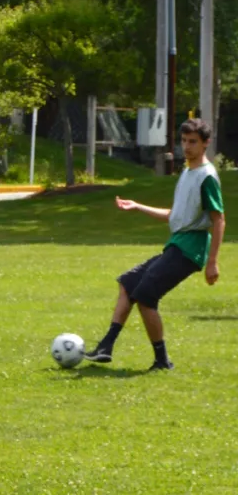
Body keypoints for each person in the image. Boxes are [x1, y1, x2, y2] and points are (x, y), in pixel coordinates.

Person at [85, 117, 226, 371]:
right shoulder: (187, 172)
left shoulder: (206, 177)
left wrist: (212, 262)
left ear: (206, 143)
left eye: (193, 142)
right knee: (129, 283)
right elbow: (175, 215)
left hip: (190, 250)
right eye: (184, 141)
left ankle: (162, 361)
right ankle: (106, 347)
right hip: (176, 245)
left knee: (146, 296)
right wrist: (138, 206)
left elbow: (218, 220)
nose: (187, 146)